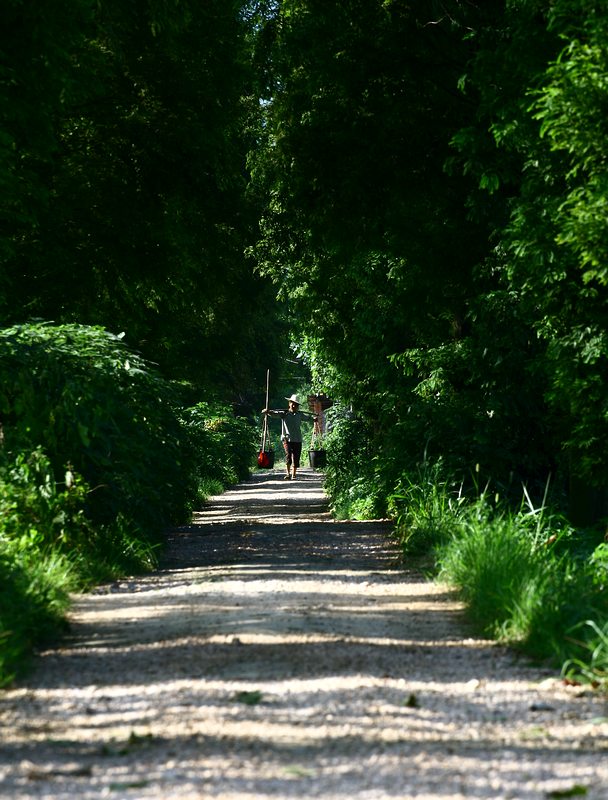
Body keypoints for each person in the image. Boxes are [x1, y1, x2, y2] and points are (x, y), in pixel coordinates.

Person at [263, 394, 317, 480]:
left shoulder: (300, 415)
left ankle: (294, 474)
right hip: (287, 438)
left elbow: (308, 418)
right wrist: (268, 412)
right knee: (288, 455)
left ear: (298, 406)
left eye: (296, 404)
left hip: (297, 439)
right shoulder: (284, 414)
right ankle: (288, 474)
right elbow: (274, 414)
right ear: (289, 403)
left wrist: (314, 418)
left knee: (296, 456)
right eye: (293, 403)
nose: (294, 405)